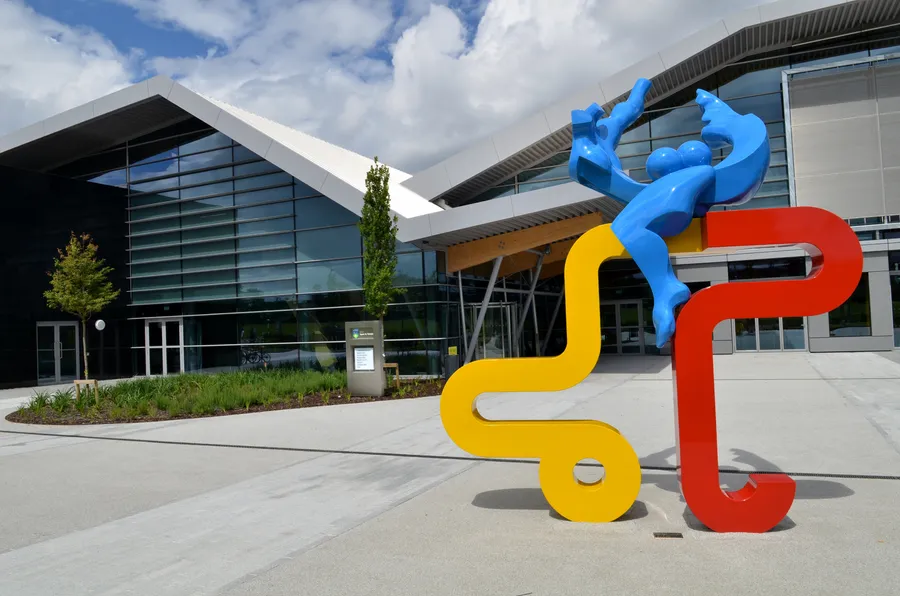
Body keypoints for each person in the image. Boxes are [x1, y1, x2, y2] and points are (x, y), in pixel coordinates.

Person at [569, 78, 770, 347]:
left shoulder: (694, 173)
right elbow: (618, 124)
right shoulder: (600, 142)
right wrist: (635, 98)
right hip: (674, 197)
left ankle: (665, 289)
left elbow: (623, 118)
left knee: (627, 225)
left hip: (684, 192)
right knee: (626, 226)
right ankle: (665, 289)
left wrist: (637, 96)